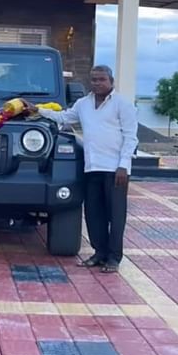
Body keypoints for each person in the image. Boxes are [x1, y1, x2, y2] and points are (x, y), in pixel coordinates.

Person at [25, 65, 138, 272]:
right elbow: (64, 117)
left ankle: (114, 258)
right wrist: (38, 110)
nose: (97, 83)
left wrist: (124, 165)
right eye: (94, 79)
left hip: (116, 170)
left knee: (116, 215)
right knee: (94, 213)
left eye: (102, 79)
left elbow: (131, 137)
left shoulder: (123, 104)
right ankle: (99, 253)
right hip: (92, 166)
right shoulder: (83, 104)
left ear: (111, 81)